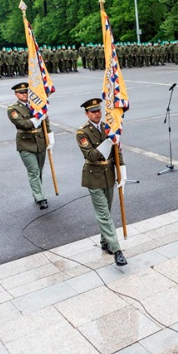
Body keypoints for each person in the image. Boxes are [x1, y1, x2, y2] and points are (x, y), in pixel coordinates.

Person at [76, 98, 128, 266]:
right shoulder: (82, 132)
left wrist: (122, 170)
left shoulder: (109, 127)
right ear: (87, 114)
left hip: (109, 174)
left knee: (107, 211)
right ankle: (117, 250)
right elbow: (91, 154)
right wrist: (109, 141)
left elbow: (116, 150)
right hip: (93, 176)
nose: (97, 113)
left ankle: (105, 241)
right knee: (104, 214)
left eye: (99, 110)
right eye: (93, 111)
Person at [7, 82, 54, 210]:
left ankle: (37, 192)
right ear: (16, 94)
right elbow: (24, 124)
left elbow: (45, 121)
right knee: (33, 171)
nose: (24, 95)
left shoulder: (36, 105)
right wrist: (38, 118)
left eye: (26, 92)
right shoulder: (13, 109)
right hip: (25, 143)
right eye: (21, 93)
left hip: (40, 141)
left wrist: (49, 137)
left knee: (39, 171)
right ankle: (41, 198)